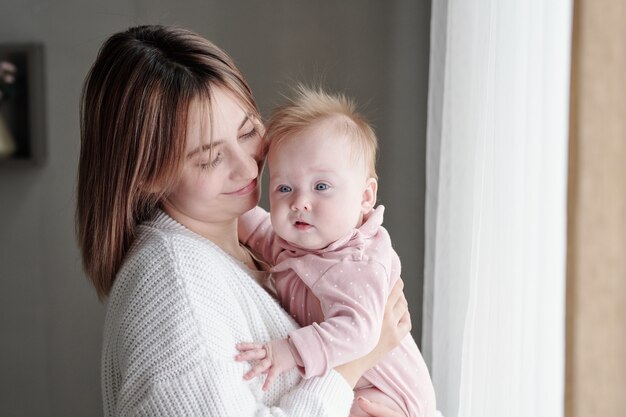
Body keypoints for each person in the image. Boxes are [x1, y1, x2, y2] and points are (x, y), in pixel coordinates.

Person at [76, 25, 411, 417]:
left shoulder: (259, 237)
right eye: (210, 157)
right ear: (147, 174)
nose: (248, 167)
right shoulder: (173, 286)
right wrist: (353, 362)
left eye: (249, 130)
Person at [235, 87, 437, 417]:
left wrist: (289, 351)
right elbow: (258, 231)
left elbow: (359, 330)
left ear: (365, 197)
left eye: (321, 187)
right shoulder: (300, 244)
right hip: (357, 379)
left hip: (391, 395)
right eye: (284, 188)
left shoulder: (359, 261)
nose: (299, 201)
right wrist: (229, 210)